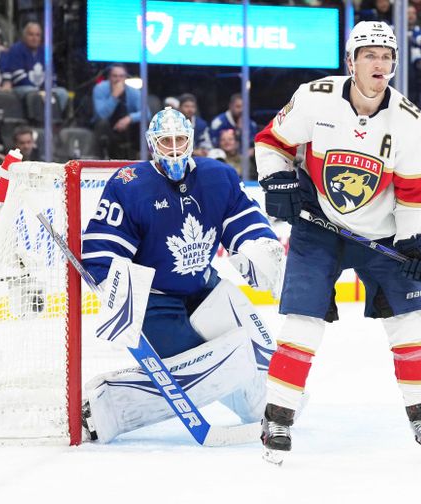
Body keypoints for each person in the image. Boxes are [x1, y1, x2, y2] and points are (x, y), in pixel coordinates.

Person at [253, 21, 421, 463]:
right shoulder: (314, 97)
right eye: (369, 55)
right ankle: (278, 417)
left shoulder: (408, 121)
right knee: (303, 322)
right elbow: (271, 143)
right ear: (351, 62)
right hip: (318, 225)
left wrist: (414, 240)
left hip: (380, 232)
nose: (379, 64)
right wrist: (278, 179)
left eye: (386, 56)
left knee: (409, 324)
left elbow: (415, 192)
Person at [79, 108, 285, 444]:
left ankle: (267, 402)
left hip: (204, 288)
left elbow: (243, 220)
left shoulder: (217, 176)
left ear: (191, 140)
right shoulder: (129, 184)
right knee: (212, 369)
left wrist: (258, 245)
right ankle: (106, 404)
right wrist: (110, 282)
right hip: (156, 301)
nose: (173, 148)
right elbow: (104, 245)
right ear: (152, 144)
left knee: (258, 384)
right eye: (166, 141)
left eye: (179, 140)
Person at [3, 22, 69, 111]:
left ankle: (54, 119)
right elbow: (18, 76)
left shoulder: (45, 52)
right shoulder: (16, 49)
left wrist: (46, 88)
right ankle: (34, 120)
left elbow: (51, 74)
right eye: (31, 35)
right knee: (32, 93)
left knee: (62, 93)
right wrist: (39, 91)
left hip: (42, 89)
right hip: (22, 88)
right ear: (24, 36)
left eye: (37, 35)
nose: (34, 38)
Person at [92, 63, 144, 159]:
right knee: (102, 123)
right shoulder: (100, 88)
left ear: (126, 78)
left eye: (121, 76)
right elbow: (101, 115)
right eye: (114, 76)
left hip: (127, 127)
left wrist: (129, 119)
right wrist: (114, 96)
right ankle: (101, 159)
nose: (118, 79)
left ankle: (140, 157)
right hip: (108, 126)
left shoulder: (133, 91)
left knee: (143, 123)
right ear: (109, 77)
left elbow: (146, 113)